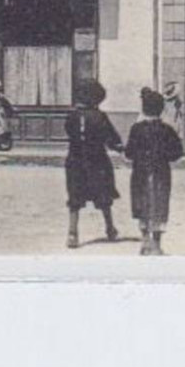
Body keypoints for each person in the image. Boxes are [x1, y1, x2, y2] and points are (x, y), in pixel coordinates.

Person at [125, 86, 184, 256]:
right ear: (162, 109)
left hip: (140, 173)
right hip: (161, 173)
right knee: (159, 205)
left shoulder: (136, 129)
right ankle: (157, 244)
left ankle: (145, 241)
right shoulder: (167, 130)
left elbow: (129, 153)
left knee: (141, 204)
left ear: (143, 108)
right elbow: (177, 153)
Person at [64, 80, 123, 249]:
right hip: (97, 161)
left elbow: (69, 131)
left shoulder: (71, 116)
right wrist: (119, 147)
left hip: (75, 161)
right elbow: (110, 137)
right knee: (104, 195)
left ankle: (72, 234)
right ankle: (110, 228)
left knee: (75, 197)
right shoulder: (99, 116)